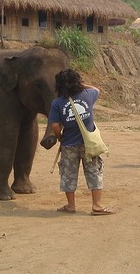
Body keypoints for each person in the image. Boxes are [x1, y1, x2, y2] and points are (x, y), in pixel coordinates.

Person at [48, 68, 114, 215]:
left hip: (69, 144)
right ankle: (97, 205)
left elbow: (54, 125)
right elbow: (96, 89)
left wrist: (60, 137)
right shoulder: (88, 94)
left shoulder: (57, 103)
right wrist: (80, 85)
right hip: (89, 144)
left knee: (68, 174)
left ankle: (71, 205)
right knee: (94, 172)